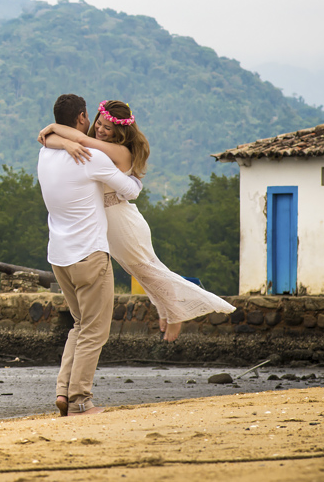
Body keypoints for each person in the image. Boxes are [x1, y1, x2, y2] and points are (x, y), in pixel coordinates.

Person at [38, 99, 235, 342]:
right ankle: (168, 313)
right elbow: (48, 141)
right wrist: (57, 137)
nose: (100, 129)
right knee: (142, 272)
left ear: (119, 132)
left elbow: (79, 140)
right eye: (98, 124)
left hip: (122, 221)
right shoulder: (92, 149)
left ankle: (176, 314)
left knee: (148, 270)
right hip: (105, 224)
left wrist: (54, 129)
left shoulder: (117, 151)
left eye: (107, 128)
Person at [38, 94, 143, 418]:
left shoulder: (45, 152)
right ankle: (80, 400)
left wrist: (61, 139)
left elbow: (49, 136)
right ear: (83, 118)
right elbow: (131, 191)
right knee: (95, 331)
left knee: (80, 326)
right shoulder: (92, 158)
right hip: (89, 254)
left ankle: (63, 393)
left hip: (59, 257)